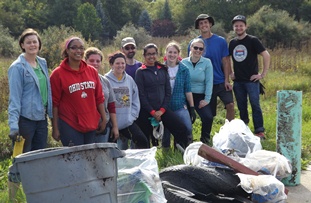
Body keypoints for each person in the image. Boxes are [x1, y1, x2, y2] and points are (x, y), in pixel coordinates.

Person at [50, 37, 107, 146]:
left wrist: (104, 118)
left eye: (81, 48)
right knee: (74, 158)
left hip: (90, 122)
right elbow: (54, 103)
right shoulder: (58, 74)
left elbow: (99, 97)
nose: (78, 51)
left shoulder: (91, 71)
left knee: (89, 157)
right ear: (67, 50)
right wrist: (55, 128)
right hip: (70, 124)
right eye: (74, 48)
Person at [135, 43, 189, 149]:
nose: (151, 56)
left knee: (181, 129)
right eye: (148, 54)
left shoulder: (163, 69)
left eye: (154, 54)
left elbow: (168, 91)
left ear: (157, 54)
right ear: (144, 56)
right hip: (146, 111)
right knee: (145, 139)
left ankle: (180, 153)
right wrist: (152, 112)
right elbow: (141, 95)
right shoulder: (140, 72)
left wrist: (162, 110)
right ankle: (147, 160)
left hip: (162, 110)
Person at [8, 28, 53, 153]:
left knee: (39, 155)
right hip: (25, 120)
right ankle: (16, 174)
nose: (32, 45)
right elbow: (14, 98)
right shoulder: (17, 67)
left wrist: (51, 116)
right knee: (22, 156)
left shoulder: (42, 63)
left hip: (41, 119)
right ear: (22, 45)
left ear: (39, 43)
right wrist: (13, 125)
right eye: (28, 42)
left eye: (35, 42)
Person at [229, 15, 270, 139]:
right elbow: (227, 59)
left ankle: (259, 131)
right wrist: (231, 73)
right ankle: (244, 130)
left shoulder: (253, 40)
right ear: (233, 27)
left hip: (251, 81)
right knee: (241, 106)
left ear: (246, 26)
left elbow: (266, 55)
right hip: (238, 81)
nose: (239, 28)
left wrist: (262, 74)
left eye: (241, 25)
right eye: (236, 26)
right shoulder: (232, 42)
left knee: (255, 105)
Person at [189, 14, 235, 126]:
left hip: (220, 81)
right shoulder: (194, 43)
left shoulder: (220, 41)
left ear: (210, 24)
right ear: (198, 26)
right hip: (204, 85)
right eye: (201, 23)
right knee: (210, 114)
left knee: (230, 105)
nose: (204, 25)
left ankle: (229, 132)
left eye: (206, 22)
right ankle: (206, 137)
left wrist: (226, 80)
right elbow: (190, 64)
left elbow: (225, 61)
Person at [105, 52, 149, 149]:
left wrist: (132, 117)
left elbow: (135, 100)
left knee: (142, 141)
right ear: (111, 64)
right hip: (111, 124)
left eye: (123, 63)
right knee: (111, 150)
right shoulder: (105, 80)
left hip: (127, 122)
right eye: (117, 63)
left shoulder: (129, 80)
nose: (120, 66)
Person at [162, 41, 196, 149]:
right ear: (166, 53)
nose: (172, 55)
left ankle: (185, 149)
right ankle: (165, 154)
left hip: (180, 105)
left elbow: (188, 90)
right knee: (166, 133)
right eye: (170, 52)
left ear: (178, 54)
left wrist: (191, 107)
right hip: (165, 107)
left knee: (188, 128)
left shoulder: (184, 69)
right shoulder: (160, 69)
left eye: (174, 52)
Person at [182, 38, 214, 144]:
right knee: (185, 118)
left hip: (200, 95)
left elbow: (209, 82)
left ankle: (205, 140)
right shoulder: (183, 62)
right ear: (191, 48)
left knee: (208, 117)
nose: (198, 50)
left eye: (201, 49)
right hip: (186, 95)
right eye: (195, 47)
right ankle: (185, 140)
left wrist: (207, 99)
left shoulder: (207, 63)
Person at [84, 47, 119, 143]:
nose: (95, 63)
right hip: (85, 127)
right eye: (91, 60)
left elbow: (111, 105)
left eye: (98, 61)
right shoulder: (80, 81)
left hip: (103, 126)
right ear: (85, 61)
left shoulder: (105, 81)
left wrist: (115, 127)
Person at [119, 37, 142, 149]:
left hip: (137, 106)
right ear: (122, 50)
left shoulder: (140, 66)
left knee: (136, 137)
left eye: (132, 47)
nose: (130, 50)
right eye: (127, 48)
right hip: (123, 106)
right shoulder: (120, 66)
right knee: (122, 137)